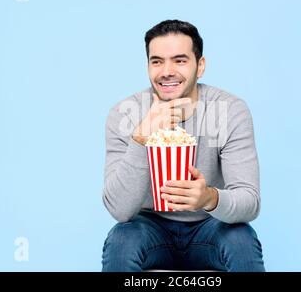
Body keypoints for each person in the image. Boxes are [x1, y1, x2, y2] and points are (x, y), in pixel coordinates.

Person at [101, 20, 265, 272]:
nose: (167, 71)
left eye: (179, 60)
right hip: (149, 228)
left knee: (240, 239)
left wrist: (209, 197)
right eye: (157, 61)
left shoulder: (231, 110)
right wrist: (142, 136)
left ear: (200, 67)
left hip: (211, 225)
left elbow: (249, 201)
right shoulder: (125, 114)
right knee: (122, 239)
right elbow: (119, 210)